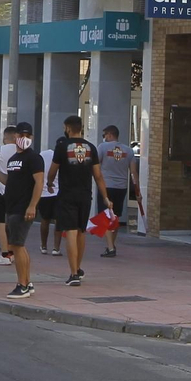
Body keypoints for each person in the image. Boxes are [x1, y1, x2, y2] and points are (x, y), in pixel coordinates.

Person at [47, 116, 110, 288]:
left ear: (67, 128)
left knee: (71, 232)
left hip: (67, 195)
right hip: (85, 195)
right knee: (81, 232)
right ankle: (78, 268)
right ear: (81, 128)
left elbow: (53, 170)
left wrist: (50, 182)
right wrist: (105, 197)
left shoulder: (62, 146)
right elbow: (98, 175)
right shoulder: (91, 148)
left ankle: (73, 273)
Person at [2, 122, 45, 299]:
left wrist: (32, 205)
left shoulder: (34, 158)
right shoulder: (13, 159)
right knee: (17, 245)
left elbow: (39, 183)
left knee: (17, 246)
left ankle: (23, 284)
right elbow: (8, 180)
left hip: (23, 208)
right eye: (21, 136)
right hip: (11, 207)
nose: (24, 139)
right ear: (15, 137)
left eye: (27, 136)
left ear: (32, 138)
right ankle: (27, 281)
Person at [98, 125, 136, 257]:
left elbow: (96, 166)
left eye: (104, 135)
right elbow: (133, 172)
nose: (104, 138)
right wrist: (137, 189)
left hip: (106, 186)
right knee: (116, 217)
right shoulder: (128, 151)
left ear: (109, 135)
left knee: (106, 216)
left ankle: (110, 247)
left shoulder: (102, 147)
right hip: (121, 187)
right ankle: (111, 246)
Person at [0, 126, 18, 269]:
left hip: (1, 192)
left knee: (1, 223)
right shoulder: (22, 152)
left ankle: (5, 253)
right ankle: (15, 252)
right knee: (14, 224)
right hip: (18, 193)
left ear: (5, 137)